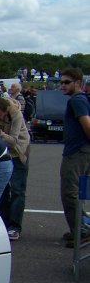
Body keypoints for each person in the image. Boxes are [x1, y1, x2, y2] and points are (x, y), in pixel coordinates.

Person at [0, 97, 31, 240]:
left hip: (18, 152)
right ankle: (2, 223)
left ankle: (15, 227)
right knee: (1, 190)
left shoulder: (16, 114)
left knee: (17, 190)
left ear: (5, 112)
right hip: (1, 154)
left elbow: (13, 141)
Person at [58, 68, 90, 247]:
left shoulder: (77, 100)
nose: (62, 85)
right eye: (61, 82)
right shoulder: (79, 99)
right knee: (75, 193)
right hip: (78, 151)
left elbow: (87, 125)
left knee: (69, 193)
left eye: (67, 82)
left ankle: (82, 232)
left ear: (78, 82)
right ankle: (78, 229)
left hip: (77, 152)